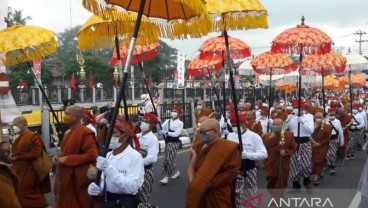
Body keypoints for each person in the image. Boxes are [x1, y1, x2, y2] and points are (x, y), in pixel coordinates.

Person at [87, 117, 144, 208]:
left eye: (113, 133)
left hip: (127, 203)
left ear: (124, 136)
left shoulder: (135, 157)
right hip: (109, 202)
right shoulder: (107, 155)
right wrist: (97, 188)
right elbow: (104, 181)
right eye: (108, 133)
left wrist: (109, 169)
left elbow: (132, 187)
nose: (108, 136)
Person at [186, 118, 241, 208]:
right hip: (198, 193)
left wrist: (209, 184)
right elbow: (192, 168)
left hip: (217, 193)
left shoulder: (228, 148)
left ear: (215, 132)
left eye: (204, 132)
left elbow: (231, 173)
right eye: (200, 131)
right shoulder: (198, 147)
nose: (200, 134)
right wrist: (195, 185)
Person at [54, 105, 99, 208]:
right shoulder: (67, 133)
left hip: (78, 178)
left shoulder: (85, 132)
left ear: (78, 117)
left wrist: (68, 159)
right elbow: (66, 152)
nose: (65, 116)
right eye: (65, 113)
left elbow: (93, 154)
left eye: (68, 114)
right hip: (65, 176)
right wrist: (58, 157)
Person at [227, 117, 268, 208]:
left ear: (244, 124)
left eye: (236, 125)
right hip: (235, 170)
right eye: (232, 126)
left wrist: (247, 155)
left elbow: (264, 154)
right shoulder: (230, 136)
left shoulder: (254, 136)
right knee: (236, 195)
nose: (234, 128)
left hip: (249, 169)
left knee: (250, 195)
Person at [11, 116, 50, 208]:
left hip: (30, 170)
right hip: (20, 170)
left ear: (23, 124)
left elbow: (36, 153)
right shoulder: (19, 138)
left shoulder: (32, 136)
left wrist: (18, 157)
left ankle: (46, 206)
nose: (14, 128)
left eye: (15, 125)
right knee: (21, 192)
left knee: (28, 192)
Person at [262, 118, 296, 203]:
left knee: (280, 182)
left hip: (282, 162)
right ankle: (275, 196)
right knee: (271, 182)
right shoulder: (266, 136)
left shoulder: (288, 135)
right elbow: (263, 150)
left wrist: (286, 152)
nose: (276, 126)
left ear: (282, 126)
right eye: (274, 124)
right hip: (270, 162)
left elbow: (294, 149)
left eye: (278, 125)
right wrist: (262, 161)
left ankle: (278, 200)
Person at [286, 101, 314, 192]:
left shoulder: (309, 117)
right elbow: (283, 130)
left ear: (303, 108)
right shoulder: (291, 117)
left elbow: (311, 131)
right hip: (293, 142)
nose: (298, 109)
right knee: (294, 165)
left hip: (305, 142)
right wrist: (286, 121)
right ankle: (296, 184)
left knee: (305, 164)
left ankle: (306, 181)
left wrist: (303, 122)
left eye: (299, 107)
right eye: (295, 107)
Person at [136, 112, 159, 207]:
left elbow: (152, 158)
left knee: (143, 197)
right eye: (143, 120)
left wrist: (137, 162)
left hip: (146, 170)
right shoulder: (136, 136)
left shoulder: (153, 139)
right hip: (135, 170)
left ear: (152, 125)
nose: (144, 123)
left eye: (147, 121)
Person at [159, 107, 184, 184]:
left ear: (179, 114)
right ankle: (177, 172)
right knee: (169, 158)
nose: (173, 112)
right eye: (172, 111)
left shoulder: (180, 123)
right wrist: (158, 123)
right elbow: (160, 129)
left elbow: (177, 134)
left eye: (175, 111)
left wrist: (166, 133)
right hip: (167, 142)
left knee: (169, 159)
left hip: (175, 143)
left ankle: (166, 177)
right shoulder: (167, 121)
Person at [310, 112, 332, 185]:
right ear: (314, 118)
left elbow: (327, 138)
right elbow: (307, 135)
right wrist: (314, 143)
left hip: (322, 146)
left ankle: (316, 177)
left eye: (320, 117)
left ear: (323, 118)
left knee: (320, 160)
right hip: (312, 145)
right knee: (313, 160)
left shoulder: (328, 127)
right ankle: (319, 172)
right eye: (317, 117)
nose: (318, 119)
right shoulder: (310, 125)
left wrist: (319, 143)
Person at [325, 107, 344, 175]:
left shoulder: (337, 122)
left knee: (332, 153)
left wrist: (342, 140)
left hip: (334, 139)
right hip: (326, 139)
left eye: (333, 114)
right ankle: (328, 164)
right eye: (330, 114)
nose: (332, 115)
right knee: (327, 153)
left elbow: (340, 131)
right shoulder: (325, 121)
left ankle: (332, 167)